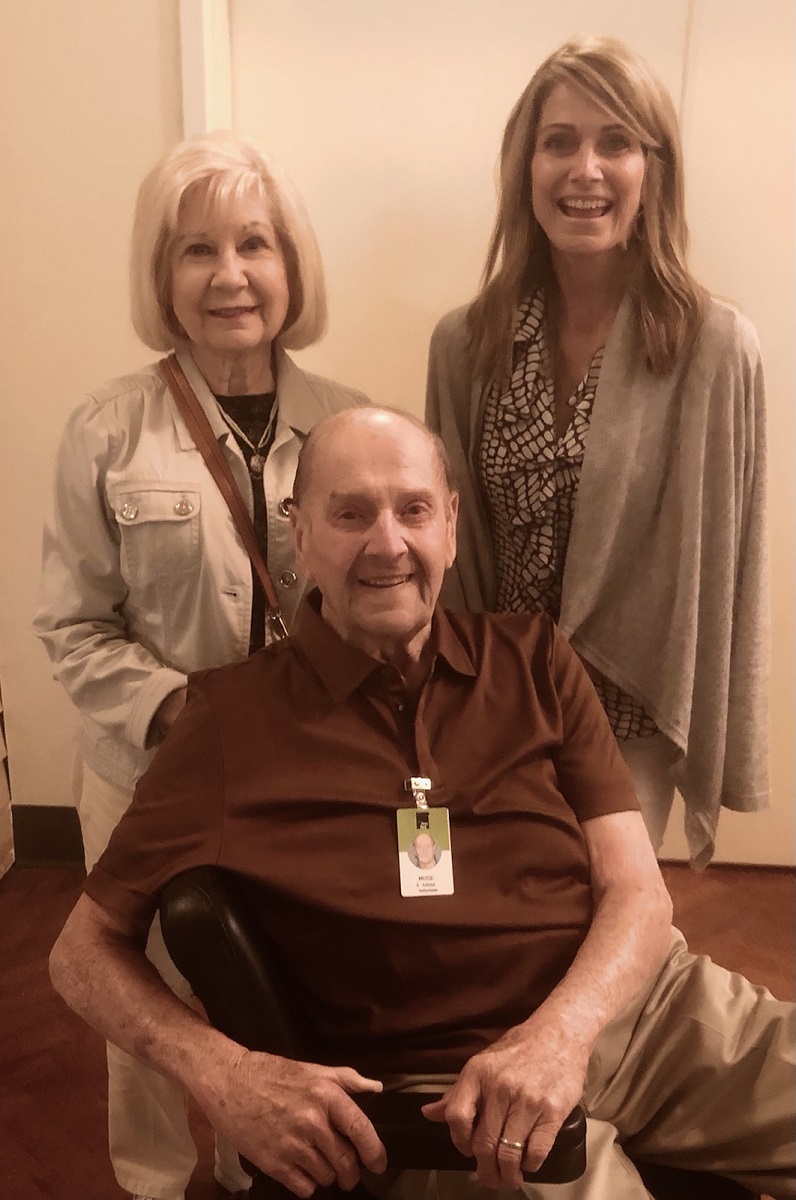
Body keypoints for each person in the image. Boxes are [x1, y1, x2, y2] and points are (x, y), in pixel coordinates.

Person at [49, 407, 793, 1200]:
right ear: (299, 536)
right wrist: (221, 1071)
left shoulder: (535, 660)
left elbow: (638, 892)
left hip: (645, 1013)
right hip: (446, 1093)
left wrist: (561, 1036)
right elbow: (80, 954)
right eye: (351, 513)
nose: (388, 544)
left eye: (413, 509)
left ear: (451, 526)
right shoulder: (226, 723)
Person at [34, 130, 367, 1200]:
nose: (230, 275)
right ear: (162, 277)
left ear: (291, 267)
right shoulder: (105, 431)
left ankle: (254, 1166)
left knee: (270, 990)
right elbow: (72, 626)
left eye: (255, 245)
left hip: (302, 790)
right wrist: (178, 711)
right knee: (141, 1010)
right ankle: (153, 1184)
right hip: (146, 786)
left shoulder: (347, 424)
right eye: (196, 250)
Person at [425, 37, 768, 866]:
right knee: (486, 905)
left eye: (616, 141)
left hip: (629, 706)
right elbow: (449, 545)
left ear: (655, 169)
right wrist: (446, 699)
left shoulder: (714, 348)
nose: (586, 168)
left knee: (606, 930)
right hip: (494, 693)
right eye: (559, 141)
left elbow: (730, 566)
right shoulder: (468, 341)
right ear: (525, 168)